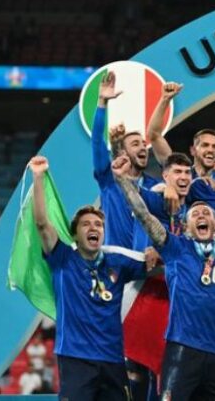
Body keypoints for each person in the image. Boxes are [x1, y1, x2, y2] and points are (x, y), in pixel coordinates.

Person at [114, 155, 215, 400]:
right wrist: (123, 180)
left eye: (207, 213)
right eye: (196, 214)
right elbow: (144, 216)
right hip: (182, 348)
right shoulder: (176, 248)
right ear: (186, 226)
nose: (202, 215)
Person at [30, 155, 146, 400]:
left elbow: (159, 263)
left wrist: (156, 253)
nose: (94, 228)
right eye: (86, 225)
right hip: (76, 359)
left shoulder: (118, 261)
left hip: (113, 360)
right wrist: (38, 177)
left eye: (98, 225)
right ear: (74, 235)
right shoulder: (62, 257)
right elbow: (41, 223)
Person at [91, 71, 159, 249]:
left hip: (146, 262)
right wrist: (102, 102)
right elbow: (97, 140)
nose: (143, 148)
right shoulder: (109, 180)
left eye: (144, 144)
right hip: (115, 260)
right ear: (122, 152)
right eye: (136, 144)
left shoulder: (155, 186)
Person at [145, 81, 215, 179]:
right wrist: (165, 99)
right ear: (193, 150)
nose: (210, 150)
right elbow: (154, 134)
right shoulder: (180, 173)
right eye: (205, 145)